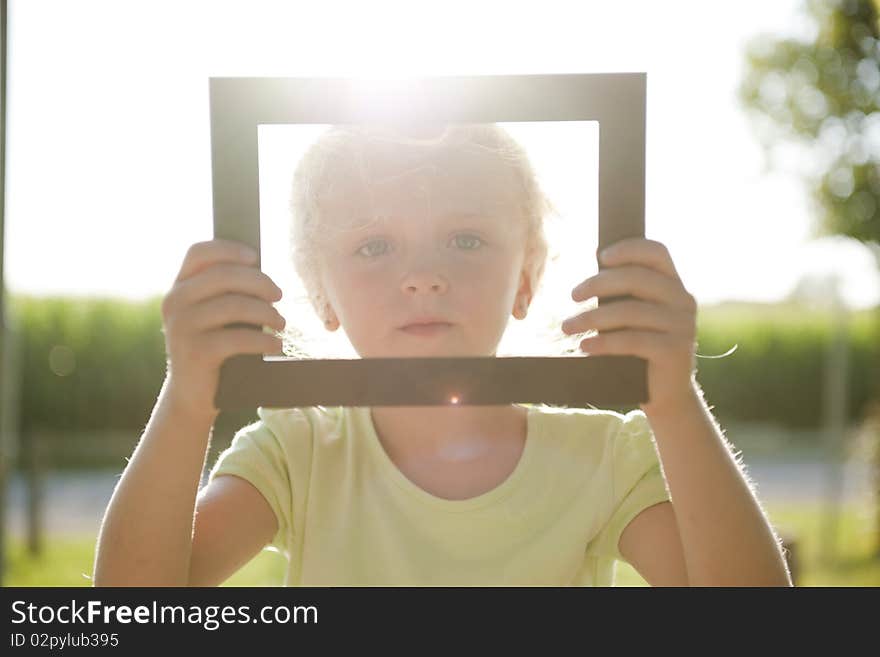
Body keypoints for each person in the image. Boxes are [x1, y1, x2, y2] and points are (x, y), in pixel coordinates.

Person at [93, 123, 793, 587]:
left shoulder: (603, 456)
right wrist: (186, 398)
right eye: (373, 246)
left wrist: (674, 399)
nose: (422, 275)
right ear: (321, 293)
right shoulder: (300, 450)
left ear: (525, 279)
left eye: (465, 238)